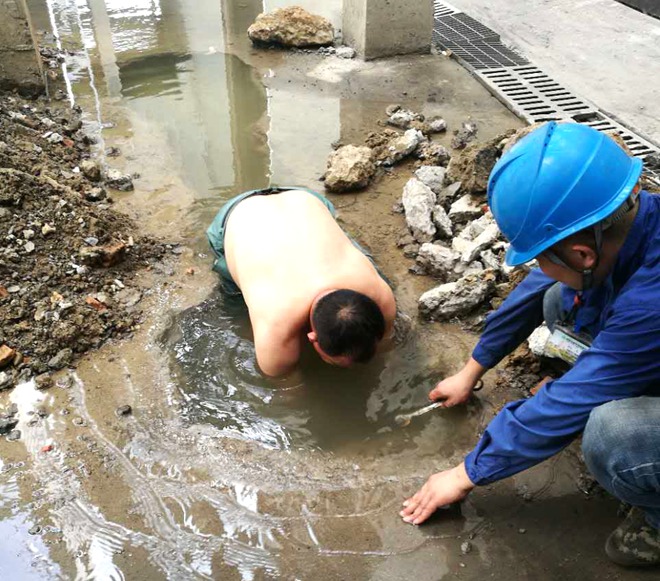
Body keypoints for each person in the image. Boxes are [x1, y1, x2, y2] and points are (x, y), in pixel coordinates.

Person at [400, 122, 660, 567]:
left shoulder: (650, 304)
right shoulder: (631, 217)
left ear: (583, 254)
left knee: (612, 433)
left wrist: (466, 473)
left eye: (540, 255)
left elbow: (574, 398)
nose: (537, 265)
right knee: (559, 298)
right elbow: (538, 285)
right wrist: (472, 369)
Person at [206, 187, 396, 377]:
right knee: (236, 304)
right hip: (236, 217)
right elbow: (286, 386)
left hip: (305, 200)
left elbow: (386, 343)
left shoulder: (380, 295)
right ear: (312, 338)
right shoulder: (275, 328)